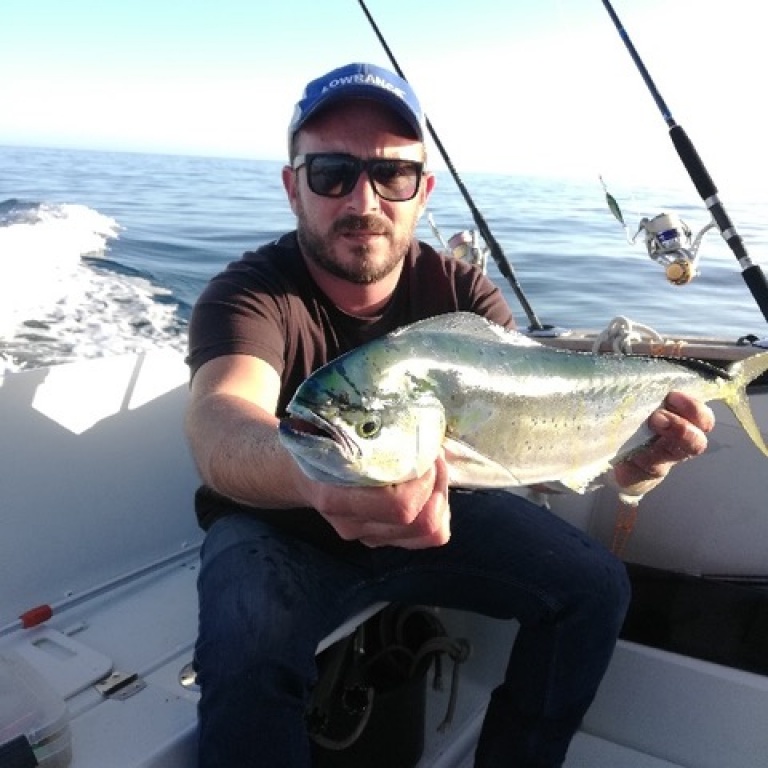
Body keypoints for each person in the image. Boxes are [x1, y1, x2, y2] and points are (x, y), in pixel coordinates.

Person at [184, 62, 714, 768]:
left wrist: (633, 465)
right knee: (247, 641)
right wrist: (316, 481)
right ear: (293, 187)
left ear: (422, 191)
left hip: (441, 512)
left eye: (392, 175)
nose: (363, 199)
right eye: (332, 172)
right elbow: (222, 421)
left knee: (595, 589)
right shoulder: (251, 293)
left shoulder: (462, 293)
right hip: (284, 531)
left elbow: (523, 447)